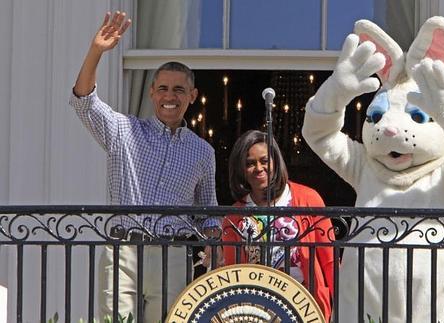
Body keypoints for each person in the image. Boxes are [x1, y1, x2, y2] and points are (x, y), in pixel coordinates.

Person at [69, 12, 218, 323]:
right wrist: (96, 51)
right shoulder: (124, 131)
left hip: (173, 255)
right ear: (152, 93)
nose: (169, 96)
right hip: (124, 249)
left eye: (178, 90)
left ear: (192, 96)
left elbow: (207, 213)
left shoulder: (203, 151)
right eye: (162, 88)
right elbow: (84, 100)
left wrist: (219, 250)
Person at [221, 130, 335, 321]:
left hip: (304, 304)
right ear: (241, 170)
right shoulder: (234, 216)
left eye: (265, 160)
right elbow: (234, 274)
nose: (258, 168)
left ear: (276, 161)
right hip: (256, 308)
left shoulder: (308, 199)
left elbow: (329, 260)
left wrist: (343, 306)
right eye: (250, 163)